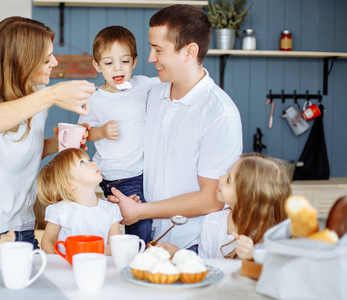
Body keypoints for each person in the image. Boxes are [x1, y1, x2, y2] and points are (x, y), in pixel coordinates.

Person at [0, 16, 95, 249]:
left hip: (22, 225)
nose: (55, 62)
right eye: (46, 59)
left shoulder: (34, 92)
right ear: (22, 59)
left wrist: (55, 144)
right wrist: (50, 96)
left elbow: (18, 150)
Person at [108, 4, 243, 251]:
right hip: (148, 239)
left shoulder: (219, 113)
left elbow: (212, 199)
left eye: (158, 50)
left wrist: (139, 211)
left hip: (194, 246)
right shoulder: (153, 95)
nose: (150, 58)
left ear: (190, 51)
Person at [77, 26, 160, 244]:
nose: (117, 68)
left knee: (150, 220)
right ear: (97, 66)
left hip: (144, 171)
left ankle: (141, 257)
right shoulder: (96, 99)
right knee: (139, 225)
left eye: (124, 61)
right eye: (108, 63)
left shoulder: (142, 84)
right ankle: (136, 261)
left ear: (134, 61)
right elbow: (83, 134)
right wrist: (102, 131)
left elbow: (169, 80)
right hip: (118, 174)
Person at [157, 153, 291, 259]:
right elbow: (206, 266)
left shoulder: (271, 234)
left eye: (228, 180)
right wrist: (180, 254)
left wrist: (253, 257)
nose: (220, 178)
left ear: (248, 196)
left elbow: (274, 274)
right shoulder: (212, 222)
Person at [36, 148, 122, 255]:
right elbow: (48, 243)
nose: (93, 163)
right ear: (69, 184)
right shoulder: (59, 211)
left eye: (88, 160)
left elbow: (115, 246)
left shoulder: (112, 210)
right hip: (66, 269)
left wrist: (86, 252)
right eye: (82, 162)